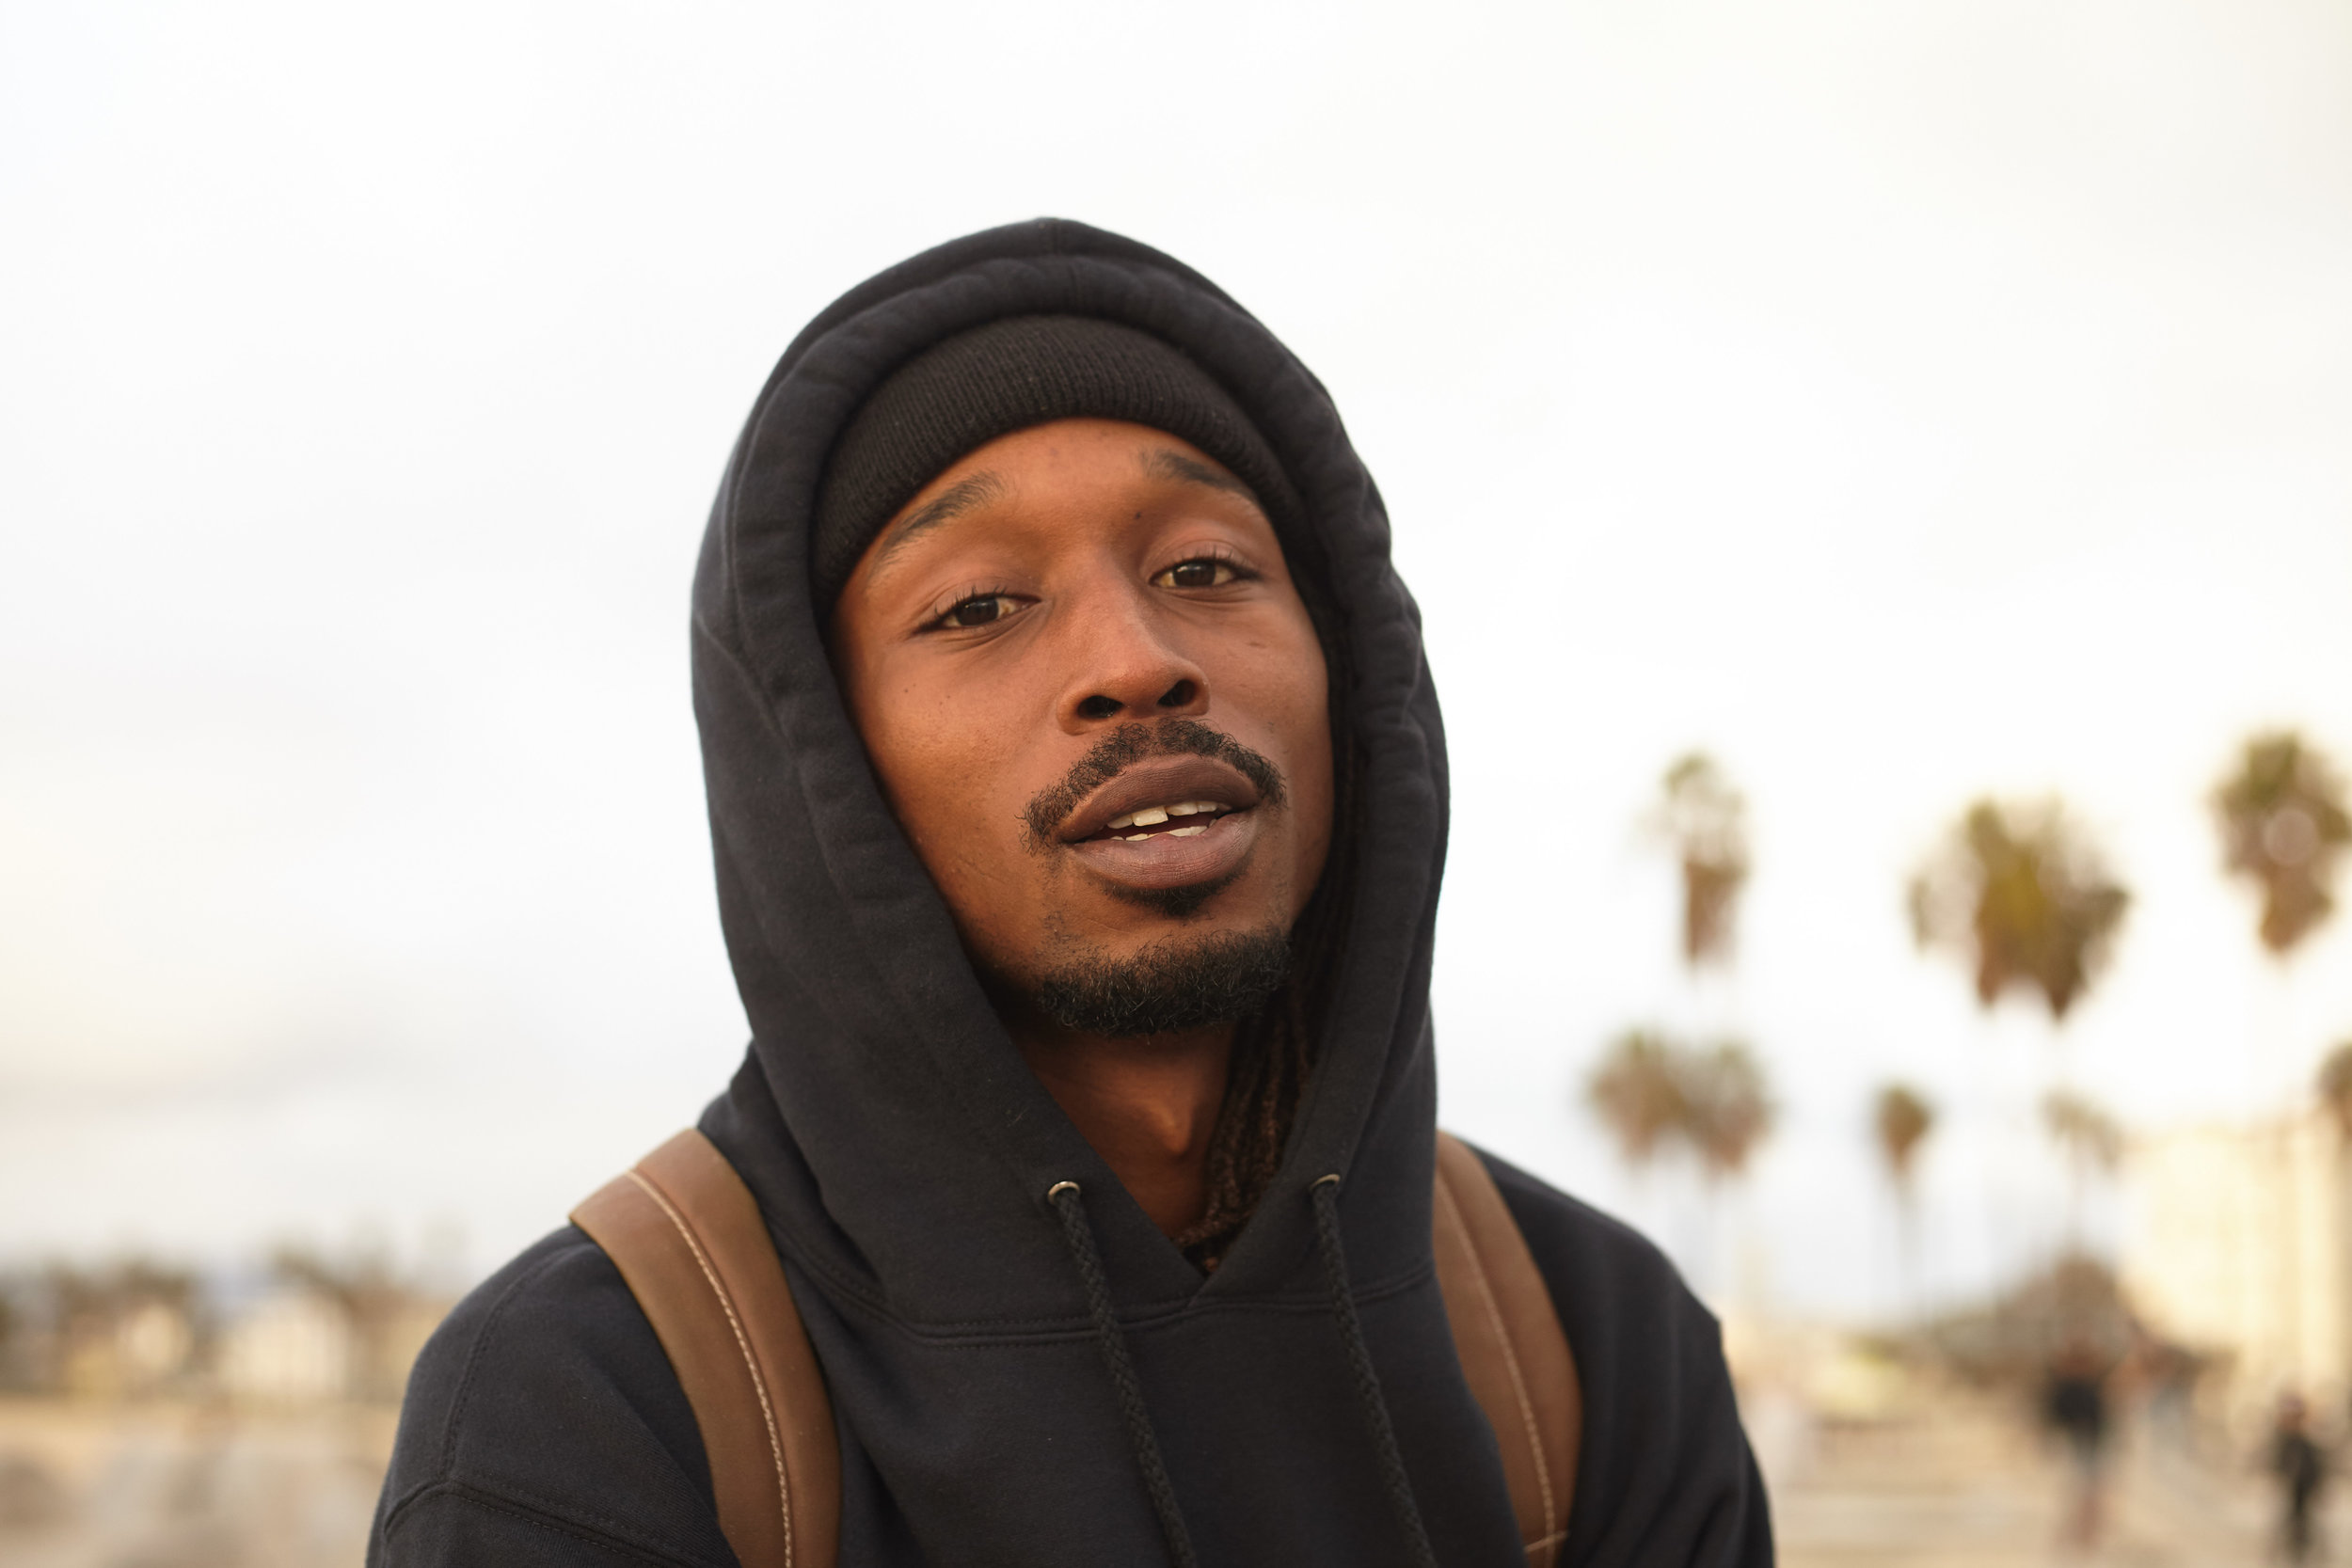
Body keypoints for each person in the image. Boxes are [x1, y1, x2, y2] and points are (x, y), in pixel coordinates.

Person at [366, 219, 1772, 1567]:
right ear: (820, 764)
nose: (1136, 653)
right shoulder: (588, 1414)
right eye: (978, 605)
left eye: (1207, 566)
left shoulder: (1599, 1356)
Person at [2043, 1338, 2109, 1550]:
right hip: (2074, 1443)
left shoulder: (2092, 1386)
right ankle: (2077, 1531)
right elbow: (2055, 1417)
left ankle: (2086, 1532)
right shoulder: (2065, 1388)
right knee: (2077, 1489)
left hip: (2092, 1443)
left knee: (2089, 1489)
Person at [2271, 1392, 2328, 1563]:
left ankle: (2302, 1549)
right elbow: (2280, 1462)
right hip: (2293, 1486)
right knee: (2292, 1517)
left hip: (2305, 1484)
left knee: (2303, 1518)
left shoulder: (2307, 1442)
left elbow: (2315, 1465)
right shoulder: (2285, 1441)